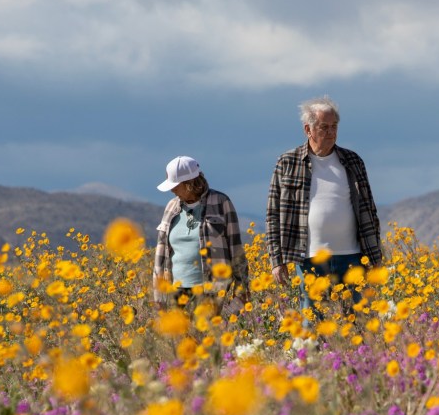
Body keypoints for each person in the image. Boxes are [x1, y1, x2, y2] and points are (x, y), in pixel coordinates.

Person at [266, 95, 383, 316]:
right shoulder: (287, 162)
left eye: (334, 126)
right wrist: (276, 261)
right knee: (313, 322)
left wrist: (375, 256)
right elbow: (273, 215)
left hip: (352, 257)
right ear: (308, 129)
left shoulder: (353, 161)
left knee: (359, 322)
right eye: (324, 127)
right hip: (309, 258)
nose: (330, 132)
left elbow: (369, 209)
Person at [153, 155, 249, 311]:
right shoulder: (171, 207)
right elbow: (161, 254)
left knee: (208, 327)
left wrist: (241, 290)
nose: (172, 190)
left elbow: (236, 249)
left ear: (189, 184)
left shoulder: (221, 202)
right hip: (175, 292)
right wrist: (158, 295)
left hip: (211, 291)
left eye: (175, 186)